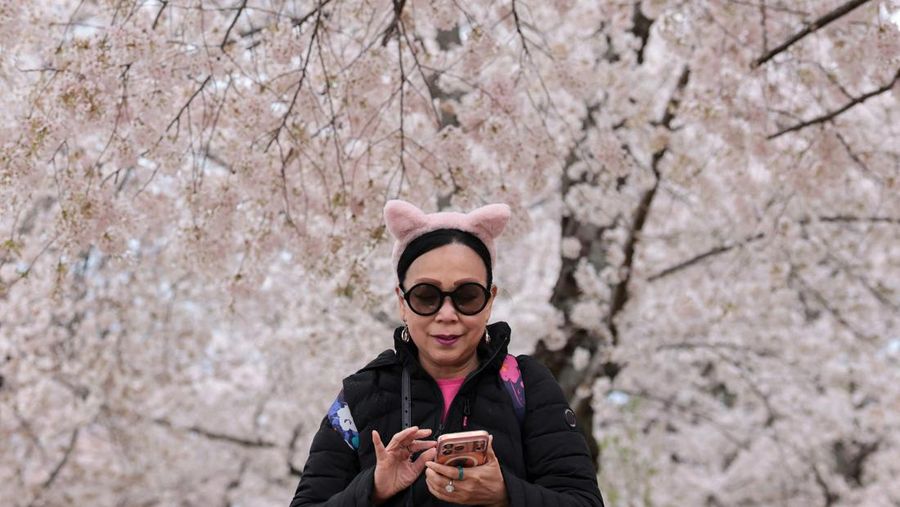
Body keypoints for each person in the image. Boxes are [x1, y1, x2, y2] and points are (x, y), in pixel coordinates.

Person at [289, 200, 604, 506]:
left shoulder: (526, 386)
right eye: (427, 296)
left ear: (490, 300)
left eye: (467, 296)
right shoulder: (359, 396)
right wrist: (374, 488)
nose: (447, 314)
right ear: (402, 302)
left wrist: (505, 494)